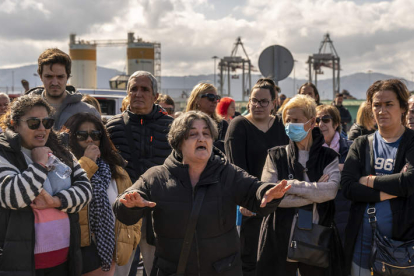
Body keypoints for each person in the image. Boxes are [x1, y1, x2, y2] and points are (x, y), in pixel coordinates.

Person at [113, 111, 291, 276]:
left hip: (222, 270)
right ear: (178, 141)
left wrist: (268, 192)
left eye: (206, 134)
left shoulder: (227, 173)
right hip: (172, 270)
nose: (201, 138)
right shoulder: (156, 177)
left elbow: (254, 190)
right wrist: (129, 204)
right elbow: (125, 205)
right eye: (193, 134)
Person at [0, 95, 92, 275]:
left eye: (47, 123)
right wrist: (40, 164)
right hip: (21, 263)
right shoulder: (4, 153)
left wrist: (55, 201)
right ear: (15, 124)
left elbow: (85, 191)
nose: (42, 129)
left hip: (64, 260)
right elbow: (12, 197)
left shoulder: (61, 151)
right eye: (34, 123)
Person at [256, 94, 341, 276]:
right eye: (287, 120)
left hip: (315, 241)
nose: (290, 124)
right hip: (279, 238)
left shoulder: (329, 157)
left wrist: (291, 186)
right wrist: (314, 190)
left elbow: (331, 191)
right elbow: (269, 195)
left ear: (311, 122)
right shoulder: (275, 155)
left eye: (296, 120)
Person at [341, 79, 414, 276]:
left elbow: (409, 182)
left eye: (389, 104)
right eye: (376, 105)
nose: (382, 111)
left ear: (403, 107)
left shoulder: (411, 143)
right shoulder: (361, 144)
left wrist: (369, 180)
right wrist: (387, 193)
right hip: (361, 242)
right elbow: (348, 187)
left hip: (402, 246)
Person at [106, 71, 173, 275]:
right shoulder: (112, 127)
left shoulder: (171, 127)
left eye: (144, 89)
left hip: (160, 210)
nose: (138, 93)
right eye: (133, 89)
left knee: (158, 268)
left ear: (155, 96)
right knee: (120, 268)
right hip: (124, 208)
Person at [224, 78, 289, 276]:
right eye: (254, 100)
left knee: (278, 261)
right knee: (249, 261)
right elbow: (236, 169)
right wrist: (247, 200)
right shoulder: (238, 125)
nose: (257, 105)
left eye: (263, 101)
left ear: (274, 103)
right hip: (249, 206)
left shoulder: (281, 125)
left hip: (280, 203)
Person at [64, 113, 142, 276]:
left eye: (95, 135)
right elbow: (69, 192)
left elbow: (131, 210)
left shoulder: (117, 171)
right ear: (72, 138)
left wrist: (131, 239)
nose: (90, 140)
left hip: (116, 249)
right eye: (82, 135)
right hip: (82, 252)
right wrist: (87, 162)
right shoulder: (63, 168)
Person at [27, 48, 100, 129]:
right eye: (49, 76)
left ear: (67, 77)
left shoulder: (88, 112)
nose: (54, 82)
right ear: (41, 77)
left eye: (60, 77)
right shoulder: (26, 110)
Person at [315, 104, 350, 244]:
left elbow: (357, 175)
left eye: (326, 119)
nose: (321, 124)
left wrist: (336, 169)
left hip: (346, 215)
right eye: (317, 120)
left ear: (336, 124)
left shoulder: (351, 148)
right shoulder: (309, 151)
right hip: (319, 216)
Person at [186, 82, 228, 152]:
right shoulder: (184, 124)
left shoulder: (222, 125)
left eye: (217, 98)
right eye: (210, 97)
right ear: (197, 99)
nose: (215, 101)